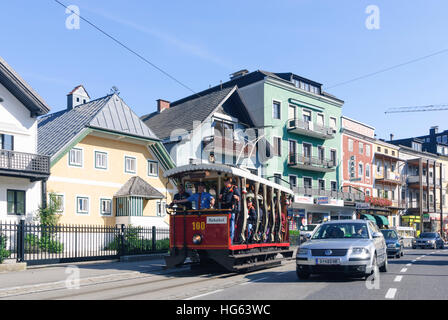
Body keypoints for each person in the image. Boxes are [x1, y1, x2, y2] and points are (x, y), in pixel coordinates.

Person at [219, 178, 241, 243]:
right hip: (223, 209)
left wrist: (236, 197)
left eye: (226, 182)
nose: (225, 183)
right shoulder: (223, 189)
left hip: (231, 210)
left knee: (231, 226)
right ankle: (223, 240)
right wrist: (220, 197)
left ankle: (230, 241)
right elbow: (220, 198)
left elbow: (238, 197)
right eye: (225, 182)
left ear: (229, 182)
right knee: (224, 226)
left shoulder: (234, 188)